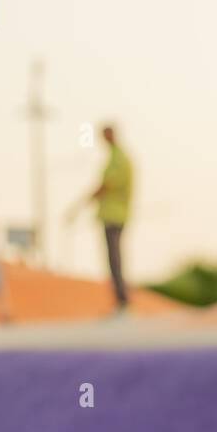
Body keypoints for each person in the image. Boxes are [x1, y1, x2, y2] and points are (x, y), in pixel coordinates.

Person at [84, 124, 133, 315]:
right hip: (111, 214)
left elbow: (107, 184)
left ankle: (122, 301)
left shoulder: (119, 158)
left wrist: (86, 200)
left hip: (115, 215)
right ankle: (120, 300)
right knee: (113, 259)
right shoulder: (114, 157)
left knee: (114, 259)